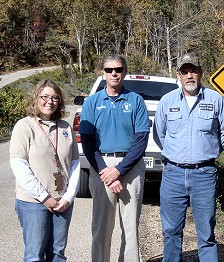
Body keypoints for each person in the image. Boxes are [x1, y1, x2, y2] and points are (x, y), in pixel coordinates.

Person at [153, 53, 224, 262]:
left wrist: (206, 152)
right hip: (173, 174)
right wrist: (176, 154)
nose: (190, 76)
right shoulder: (167, 101)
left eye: (193, 70)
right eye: (185, 71)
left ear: (201, 73)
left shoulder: (216, 100)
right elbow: (160, 134)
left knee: (206, 234)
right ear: (178, 75)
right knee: (171, 231)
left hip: (204, 174)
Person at [79, 54, 150, 262]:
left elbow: (141, 140)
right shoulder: (92, 102)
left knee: (130, 229)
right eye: (109, 70)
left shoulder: (136, 101)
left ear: (125, 72)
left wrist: (119, 170)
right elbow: (87, 140)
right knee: (101, 227)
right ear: (103, 73)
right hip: (101, 166)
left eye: (118, 69)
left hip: (131, 167)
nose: (114, 73)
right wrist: (105, 171)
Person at [9, 79, 81, 261]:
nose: (50, 102)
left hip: (62, 203)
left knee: (58, 254)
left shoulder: (65, 127)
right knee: (35, 255)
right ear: (36, 98)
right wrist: (45, 198)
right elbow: (19, 165)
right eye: (45, 97)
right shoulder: (24, 126)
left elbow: (74, 164)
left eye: (55, 98)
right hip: (33, 202)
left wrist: (68, 197)